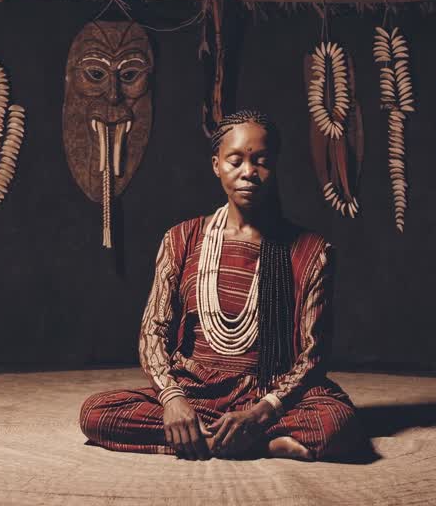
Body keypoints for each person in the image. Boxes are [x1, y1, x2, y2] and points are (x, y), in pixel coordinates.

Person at [79, 110, 364, 460]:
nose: (249, 172)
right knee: (96, 412)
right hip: (195, 391)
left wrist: (261, 413)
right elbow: (153, 331)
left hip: (268, 393)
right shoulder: (182, 239)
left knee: (336, 422)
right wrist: (172, 400)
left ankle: (210, 439)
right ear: (216, 165)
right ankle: (248, 443)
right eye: (236, 161)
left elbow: (312, 354)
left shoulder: (310, 251)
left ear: (275, 166)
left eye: (261, 161)